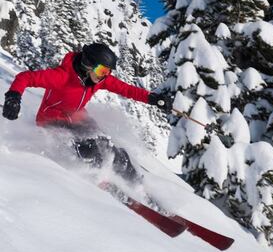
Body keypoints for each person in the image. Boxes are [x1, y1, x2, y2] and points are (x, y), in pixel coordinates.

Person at [2, 43, 172, 183]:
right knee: (90, 148)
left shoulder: (97, 81)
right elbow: (25, 77)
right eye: (101, 71)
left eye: (107, 72)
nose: (104, 76)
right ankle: (98, 179)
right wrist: (13, 97)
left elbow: (126, 89)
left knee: (109, 144)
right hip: (51, 119)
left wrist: (153, 99)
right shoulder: (61, 77)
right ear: (87, 64)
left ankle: (135, 183)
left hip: (77, 117)